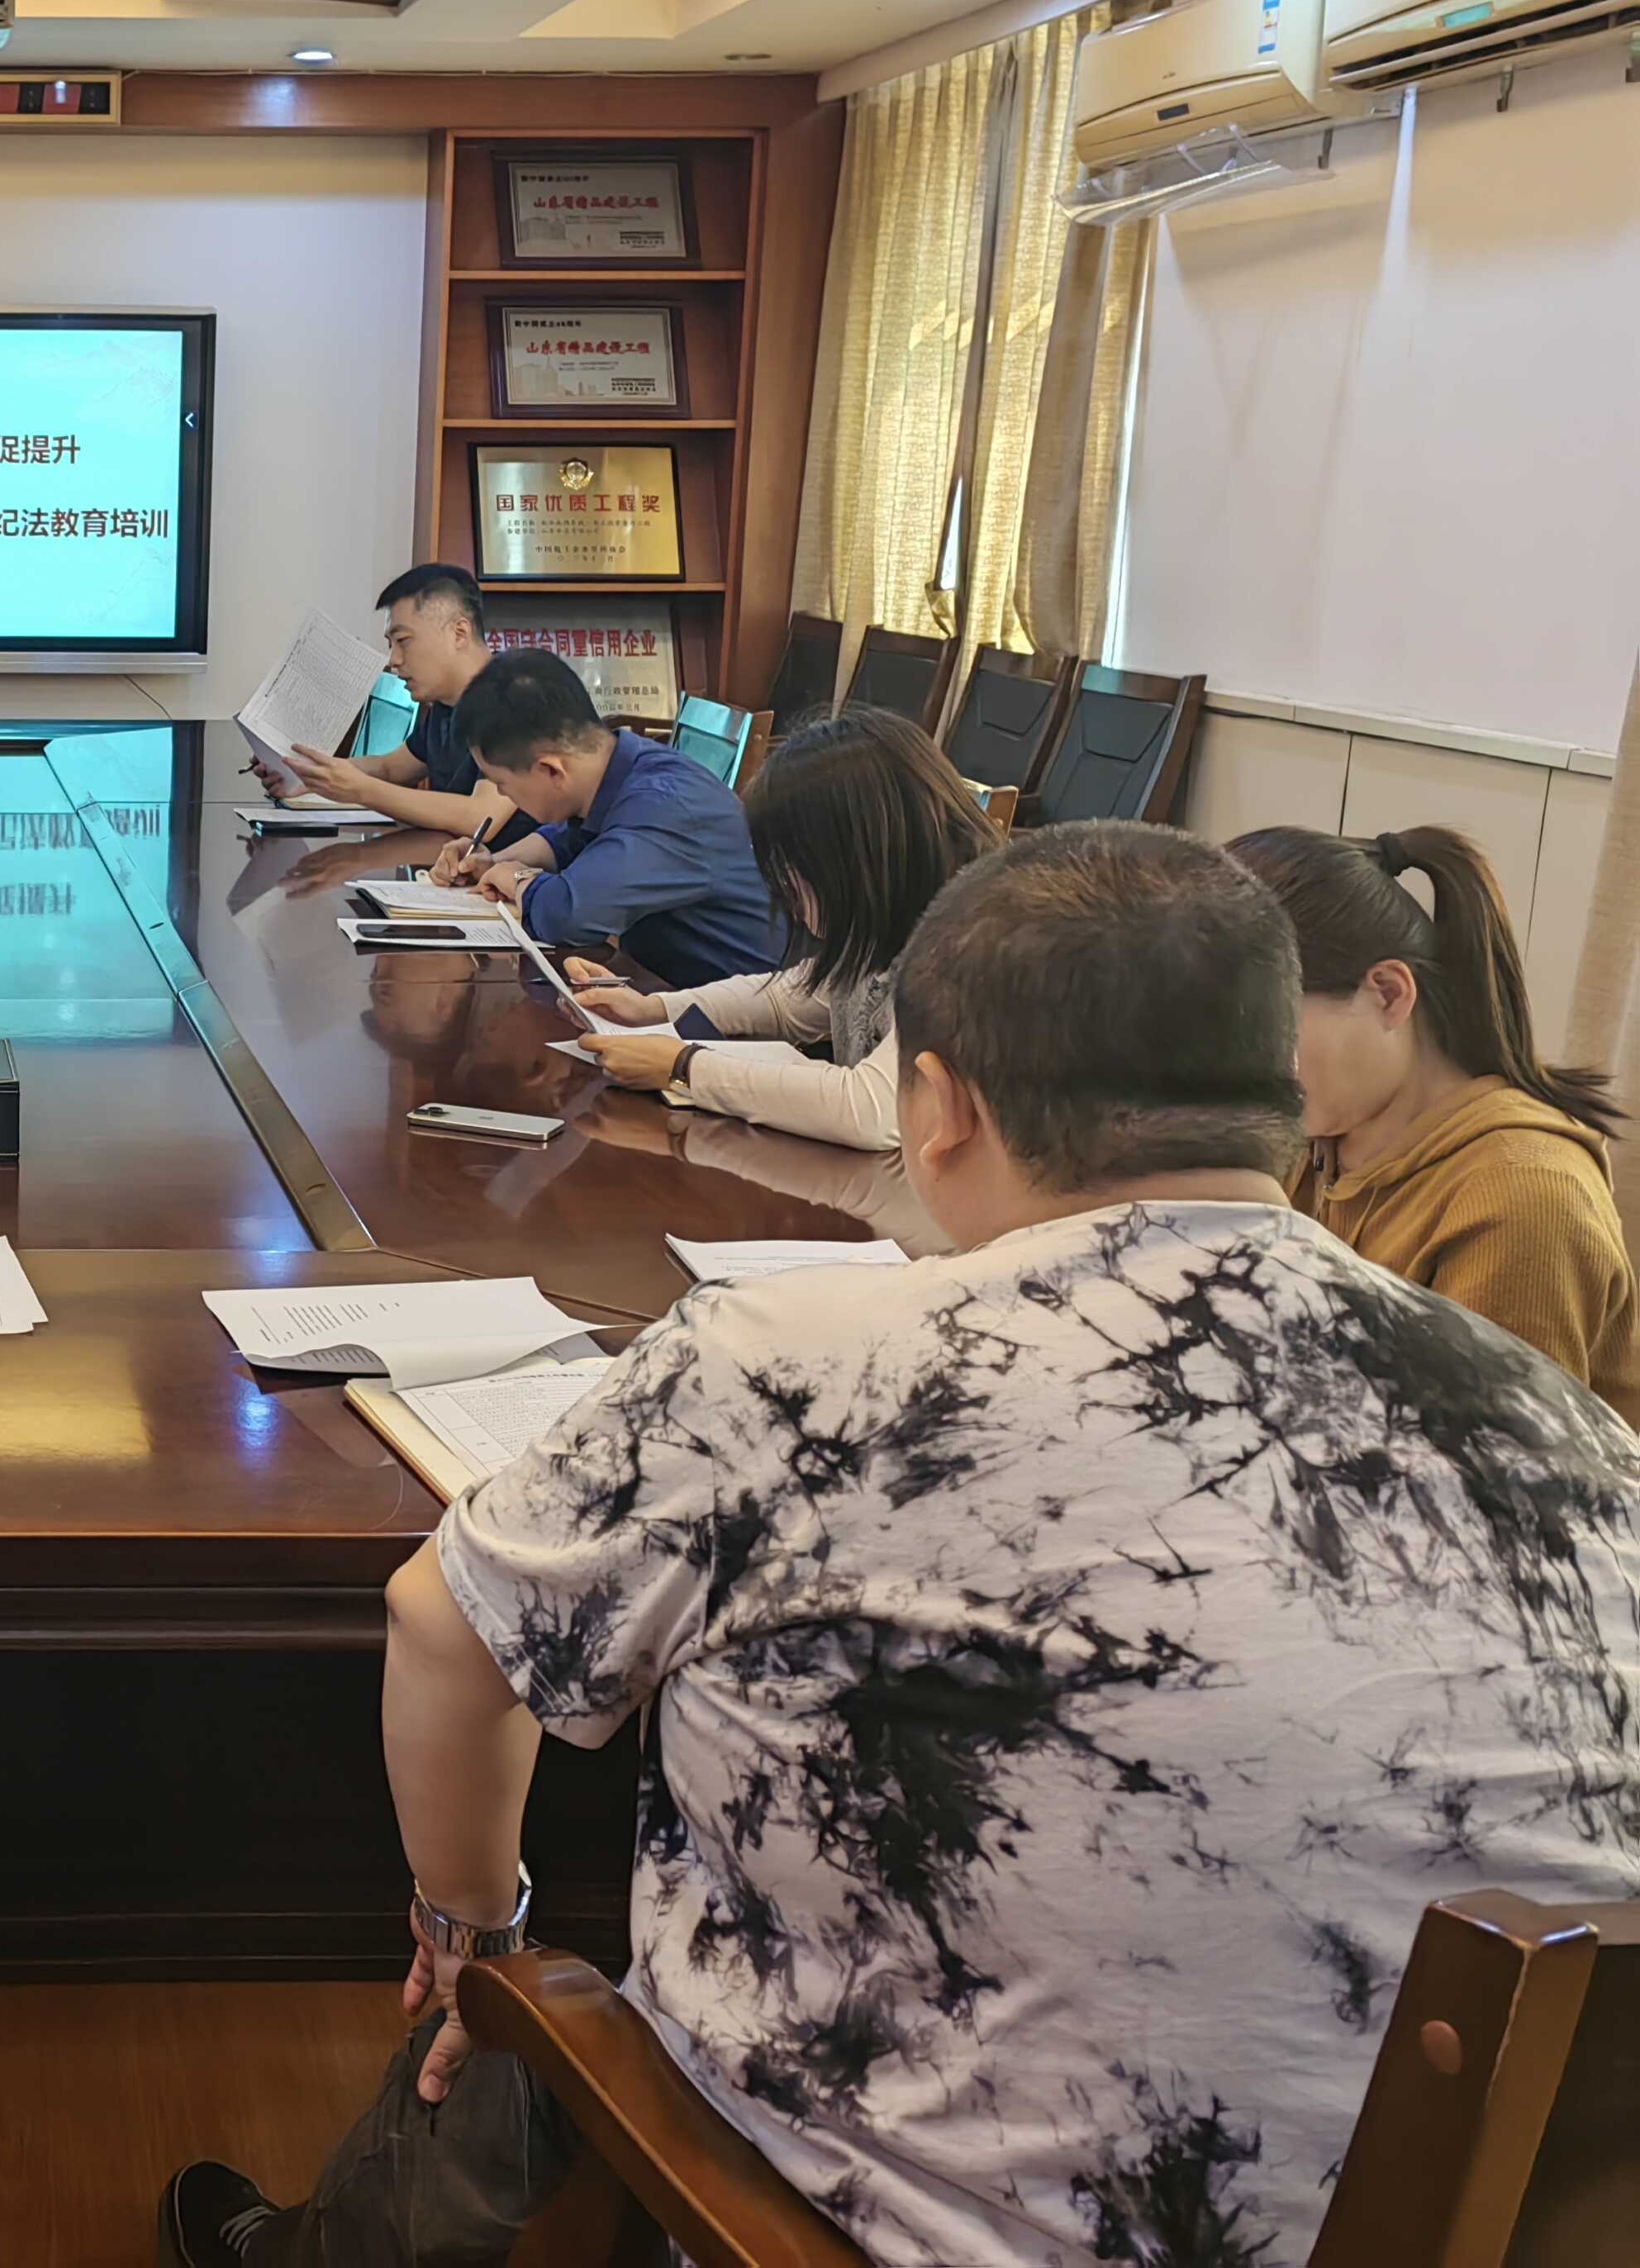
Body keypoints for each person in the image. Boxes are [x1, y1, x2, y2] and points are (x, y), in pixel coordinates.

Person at [164, 822, 1640, 2268]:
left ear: (937, 1107)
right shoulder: (1567, 1430)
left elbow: (443, 1623)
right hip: (1486, 2213)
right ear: (1282, 1080)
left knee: (547, 2009)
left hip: (880, 2214)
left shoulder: (787, 1359)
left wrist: (474, 1943)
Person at [1233, 822, 1636, 1415]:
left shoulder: (1523, 1197)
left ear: (1389, 994)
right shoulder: (1317, 1135)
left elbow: (1493, 1459)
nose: (1243, 1066)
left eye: (1267, 1030)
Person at [564, 708, 993, 1149]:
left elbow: (873, 1110)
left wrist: (684, 1067)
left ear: (853, 861)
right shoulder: (889, 920)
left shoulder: (973, 943)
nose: (784, 894)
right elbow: (792, 996)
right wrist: (653, 1010)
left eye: (793, 873)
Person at [436, 651, 777, 987]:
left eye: (502, 783)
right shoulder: (620, 765)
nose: (502, 793)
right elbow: (567, 838)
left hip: (739, 1012)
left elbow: (568, 915)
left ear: (552, 770)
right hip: (665, 989)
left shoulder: (662, 805)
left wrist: (518, 878)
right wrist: (492, 862)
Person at [253, 566, 497, 839]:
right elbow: (389, 768)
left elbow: (481, 818)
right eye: (390, 644)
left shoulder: (514, 698)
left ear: (459, 633)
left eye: (403, 641)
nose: (393, 660)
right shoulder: (446, 704)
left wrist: (360, 790)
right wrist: (308, 774)